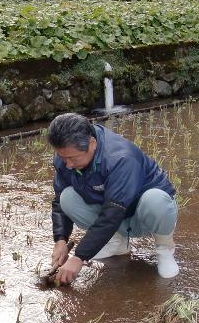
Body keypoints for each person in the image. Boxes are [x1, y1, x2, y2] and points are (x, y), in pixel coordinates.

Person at [48, 113, 179, 284]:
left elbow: (113, 213)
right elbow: (58, 201)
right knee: (67, 197)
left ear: (92, 144)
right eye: (62, 157)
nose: (68, 165)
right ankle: (116, 243)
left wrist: (79, 257)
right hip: (112, 212)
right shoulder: (66, 155)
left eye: (72, 158)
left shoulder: (121, 158)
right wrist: (60, 239)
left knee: (156, 200)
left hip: (140, 214)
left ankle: (164, 249)